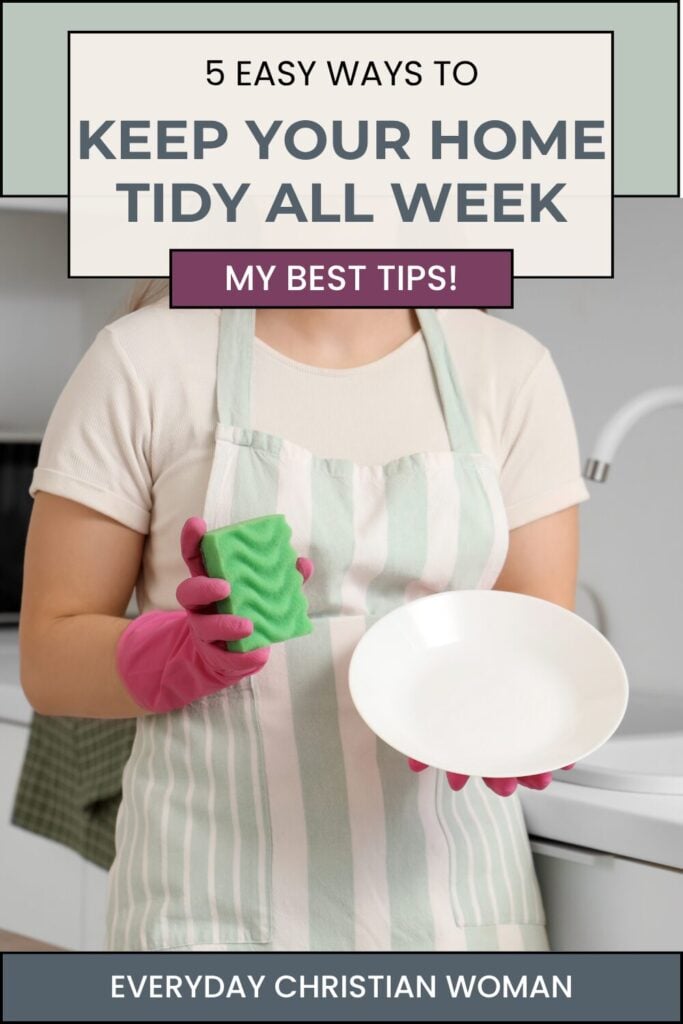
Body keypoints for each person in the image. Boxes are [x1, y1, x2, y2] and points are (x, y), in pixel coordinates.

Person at [19, 289, 589, 952]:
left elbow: (533, 639)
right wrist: (183, 653)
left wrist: (514, 717)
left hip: (457, 910)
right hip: (208, 907)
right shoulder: (146, 359)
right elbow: (50, 657)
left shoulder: (506, 370)